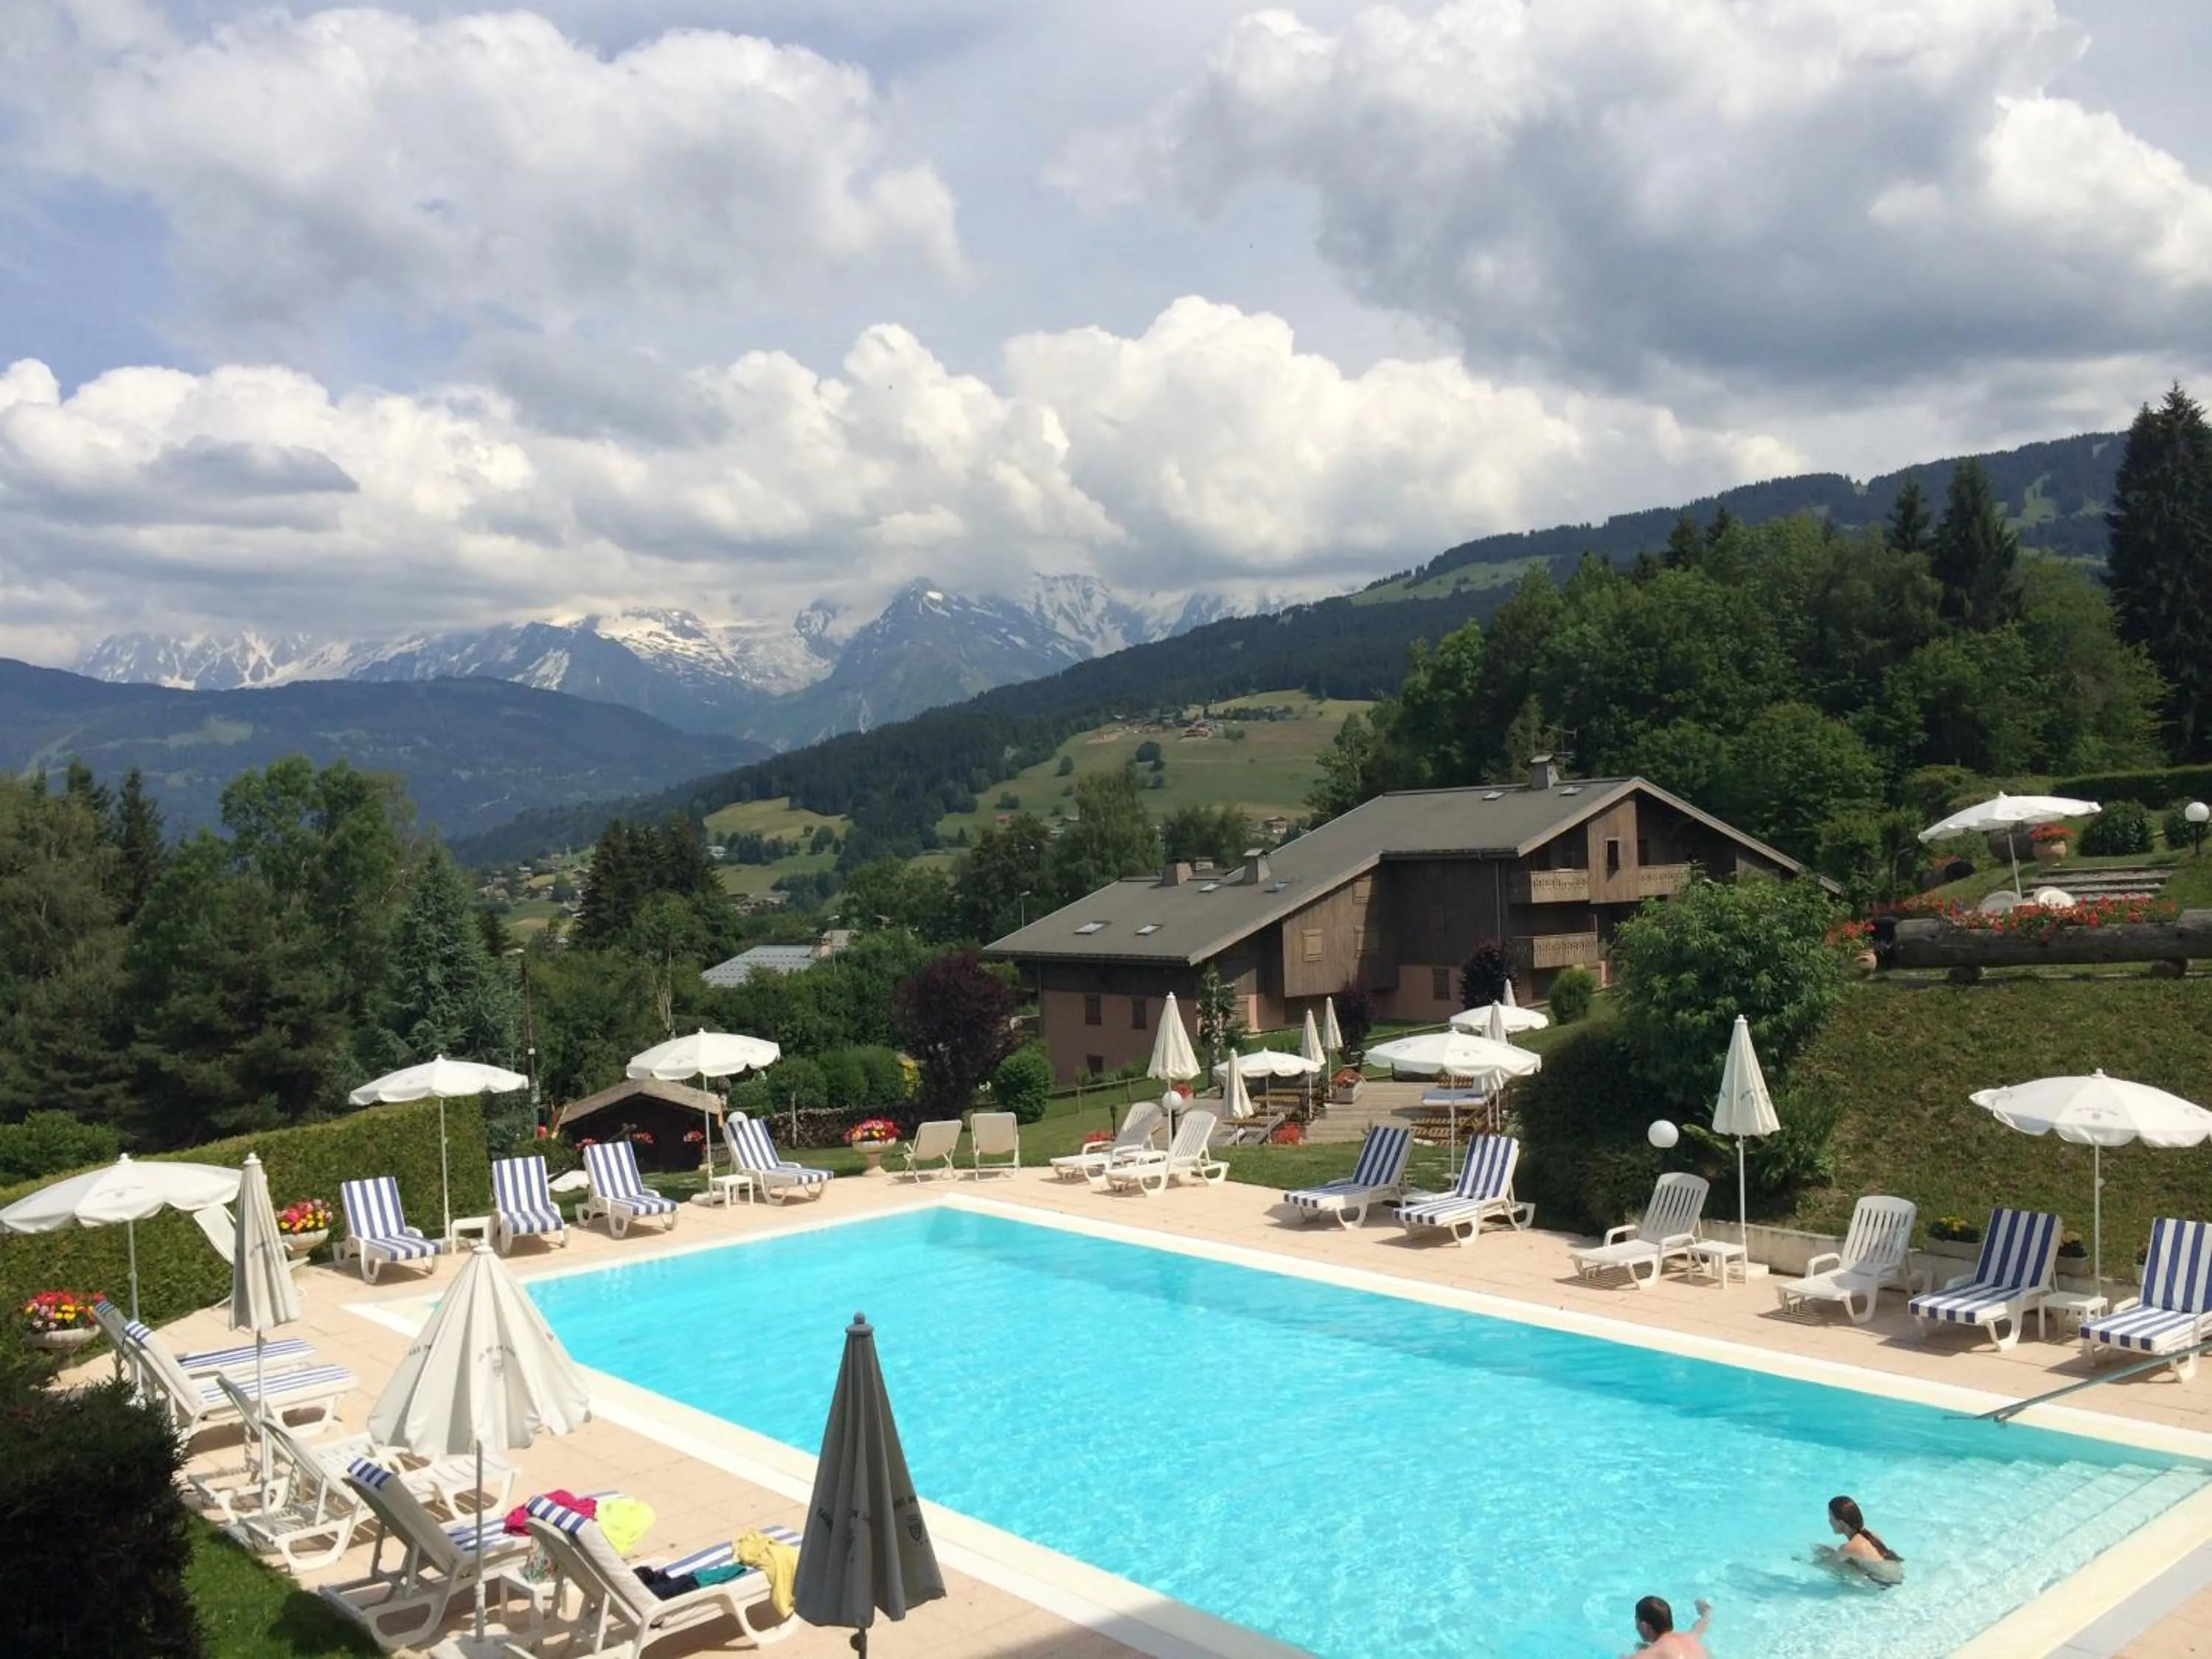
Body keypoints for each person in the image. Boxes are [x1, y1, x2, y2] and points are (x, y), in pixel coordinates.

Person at [1815, 1494, 1905, 1586]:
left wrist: (1804, 1560)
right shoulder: (1871, 1535)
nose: (1829, 1521)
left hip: (1884, 1582)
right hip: (1896, 1575)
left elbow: (1827, 1565)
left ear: (1841, 1523)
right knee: (1850, 1562)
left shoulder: (1848, 1548)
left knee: (1841, 1567)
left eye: (1831, 1518)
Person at [1632, 1594, 1712, 1656]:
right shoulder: (1692, 1637)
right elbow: (1704, 1620)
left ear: (1644, 1626)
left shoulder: (1651, 1654)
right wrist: (1706, 1612)